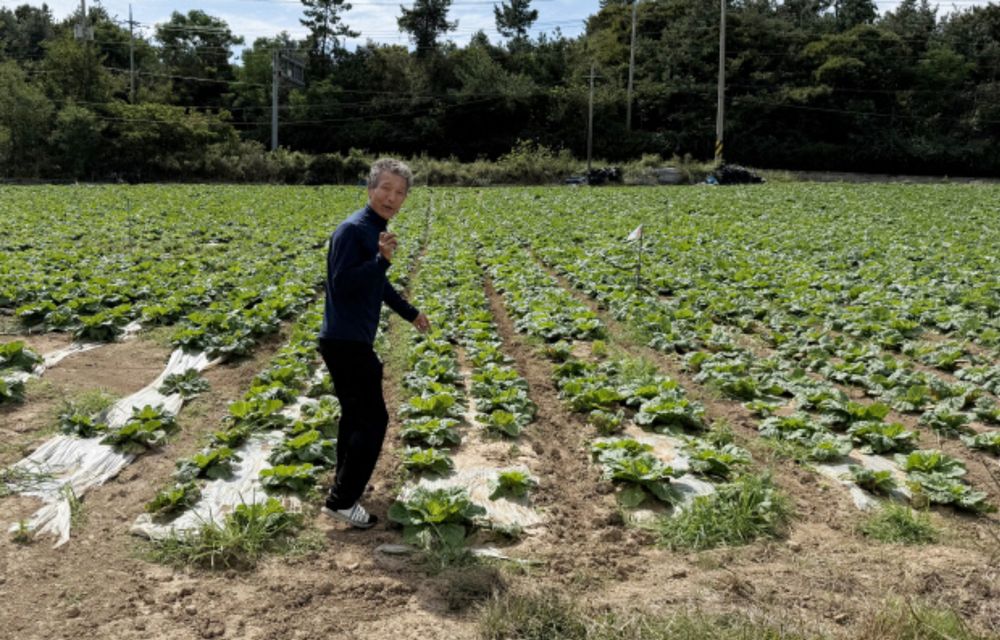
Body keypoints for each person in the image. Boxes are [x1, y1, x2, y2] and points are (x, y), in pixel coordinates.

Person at [318, 158, 430, 529]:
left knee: (355, 417)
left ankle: (343, 487)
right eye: (385, 189)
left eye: (399, 192)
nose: (392, 197)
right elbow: (344, 282)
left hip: (347, 338)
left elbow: (376, 286)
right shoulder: (354, 230)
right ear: (370, 190)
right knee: (373, 419)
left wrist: (410, 312)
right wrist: (381, 261)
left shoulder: (372, 230)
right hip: (346, 341)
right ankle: (342, 500)